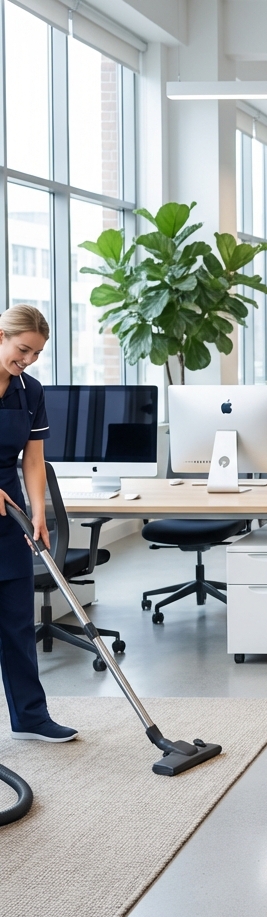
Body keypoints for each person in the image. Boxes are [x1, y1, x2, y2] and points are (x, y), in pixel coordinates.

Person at [0, 304, 77, 742]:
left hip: (8, 512)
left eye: (35, 354)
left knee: (16, 619)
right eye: (22, 350)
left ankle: (30, 717)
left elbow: (33, 457)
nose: (27, 360)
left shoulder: (30, 391)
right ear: (1, 336)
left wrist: (37, 512)